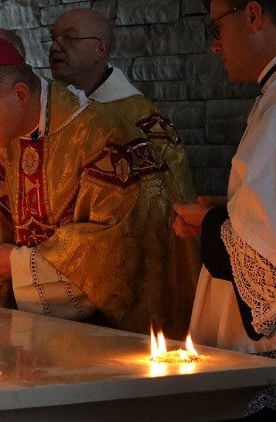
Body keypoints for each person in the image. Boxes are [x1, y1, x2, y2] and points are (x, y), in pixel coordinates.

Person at [0, 30, 195, 339]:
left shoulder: (101, 137)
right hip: (30, 333)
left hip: (105, 338)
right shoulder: (3, 141)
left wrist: (18, 264)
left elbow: (111, 252)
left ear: (20, 94)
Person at [48, 10, 202, 331]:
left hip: (127, 271)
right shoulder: (52, 112)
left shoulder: (143, 119)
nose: (56, 47)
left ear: (100, 49)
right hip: (59, 265)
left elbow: (165, 199)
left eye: (69, 39)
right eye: (53, 39)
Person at [173, 0, 276, 415]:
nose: (214, 46)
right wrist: (234, 209)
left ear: (254, 15)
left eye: (214, 29)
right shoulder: (275, 93)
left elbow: (267, 266)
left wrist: (211, 223)